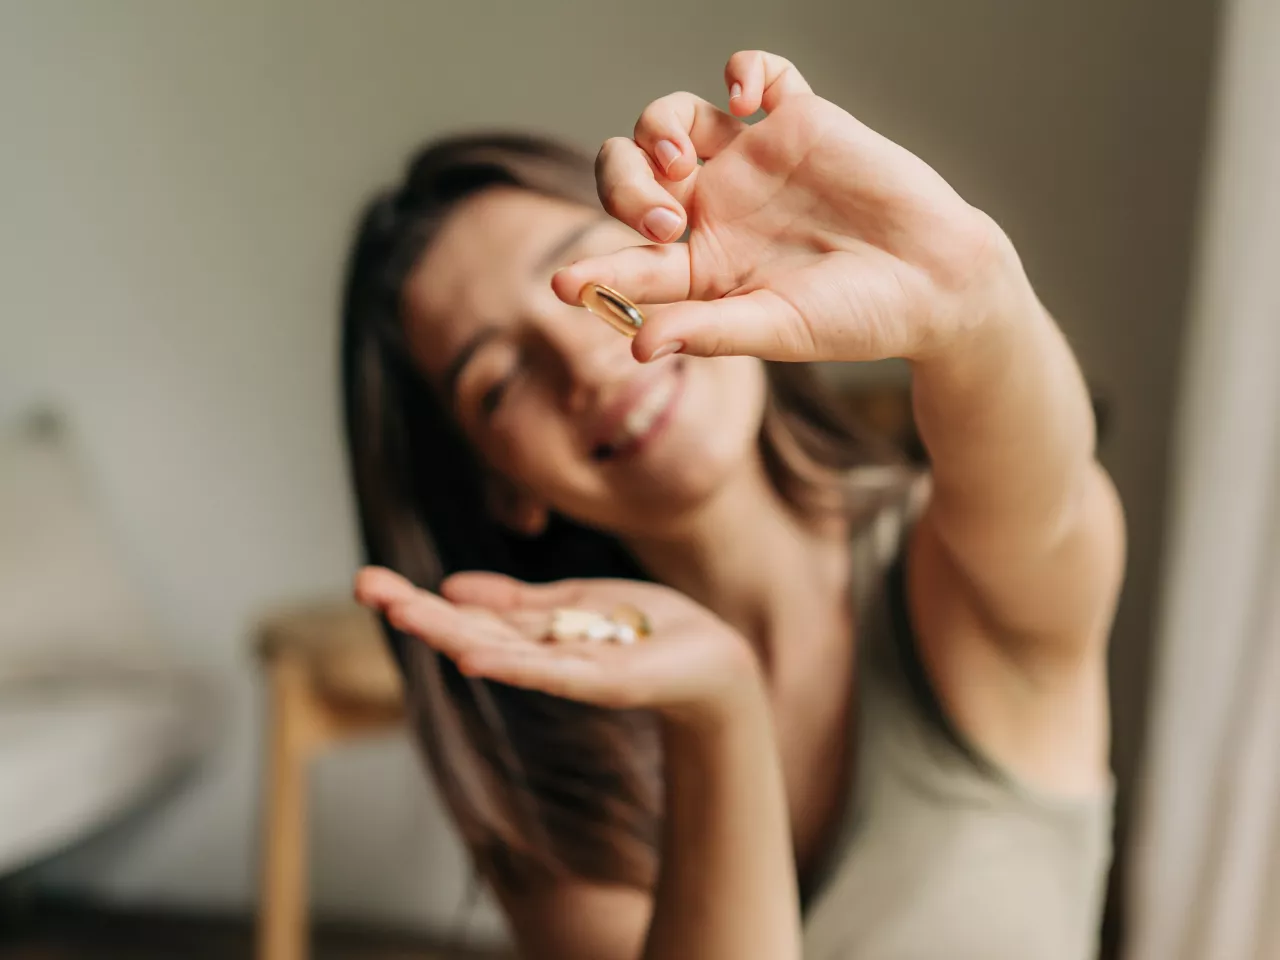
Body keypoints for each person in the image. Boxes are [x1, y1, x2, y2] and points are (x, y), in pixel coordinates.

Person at [342, 50, 1124, 960]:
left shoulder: (957, 572)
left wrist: (971, 291)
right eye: (499, 380)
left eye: (590, 273)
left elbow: (1054, 496)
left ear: (682, 240)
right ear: (500, 487)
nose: (584, 359)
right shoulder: (552, 748)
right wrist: (719, 712)